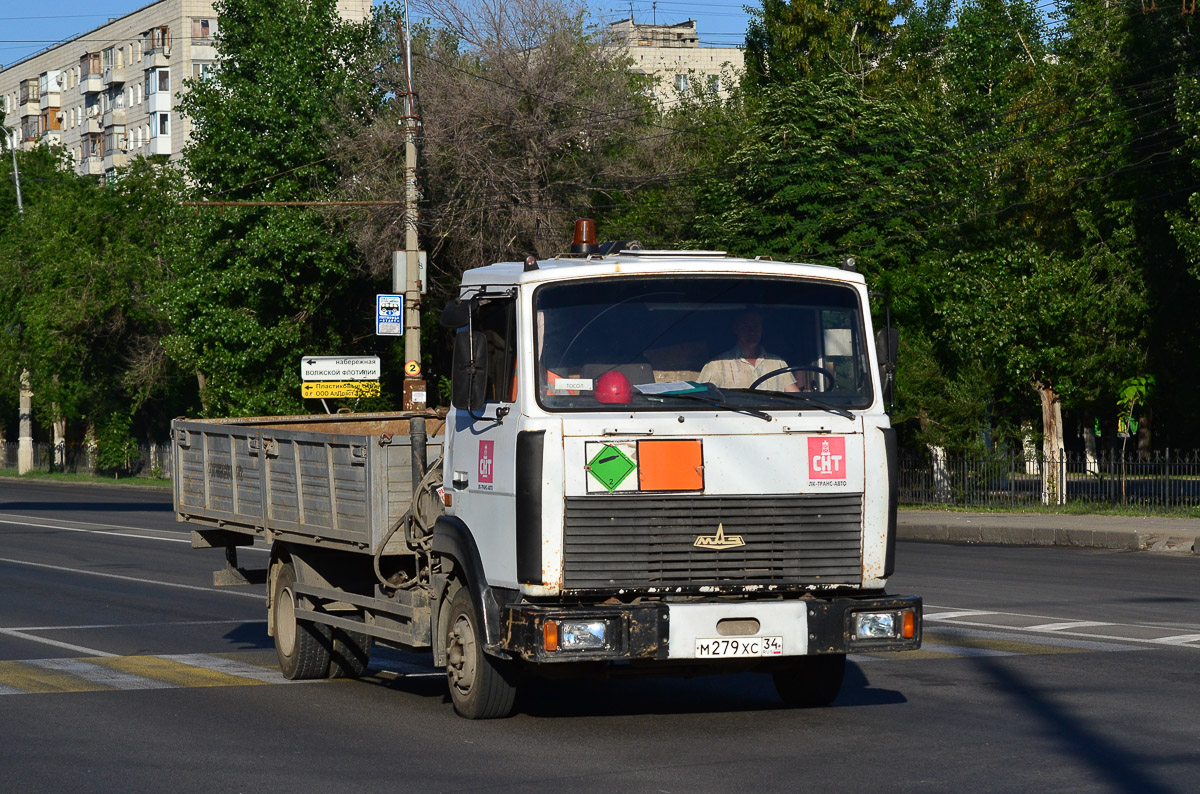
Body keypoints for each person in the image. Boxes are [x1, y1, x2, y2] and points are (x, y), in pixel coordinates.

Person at [698, 309, 801, 392]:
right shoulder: (716, 365)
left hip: (774, 417)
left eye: (756, 325)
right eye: (746, 326)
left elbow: (795, 398)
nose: (752, 331)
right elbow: (701, 400)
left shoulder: (778, 363)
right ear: (736, 328)